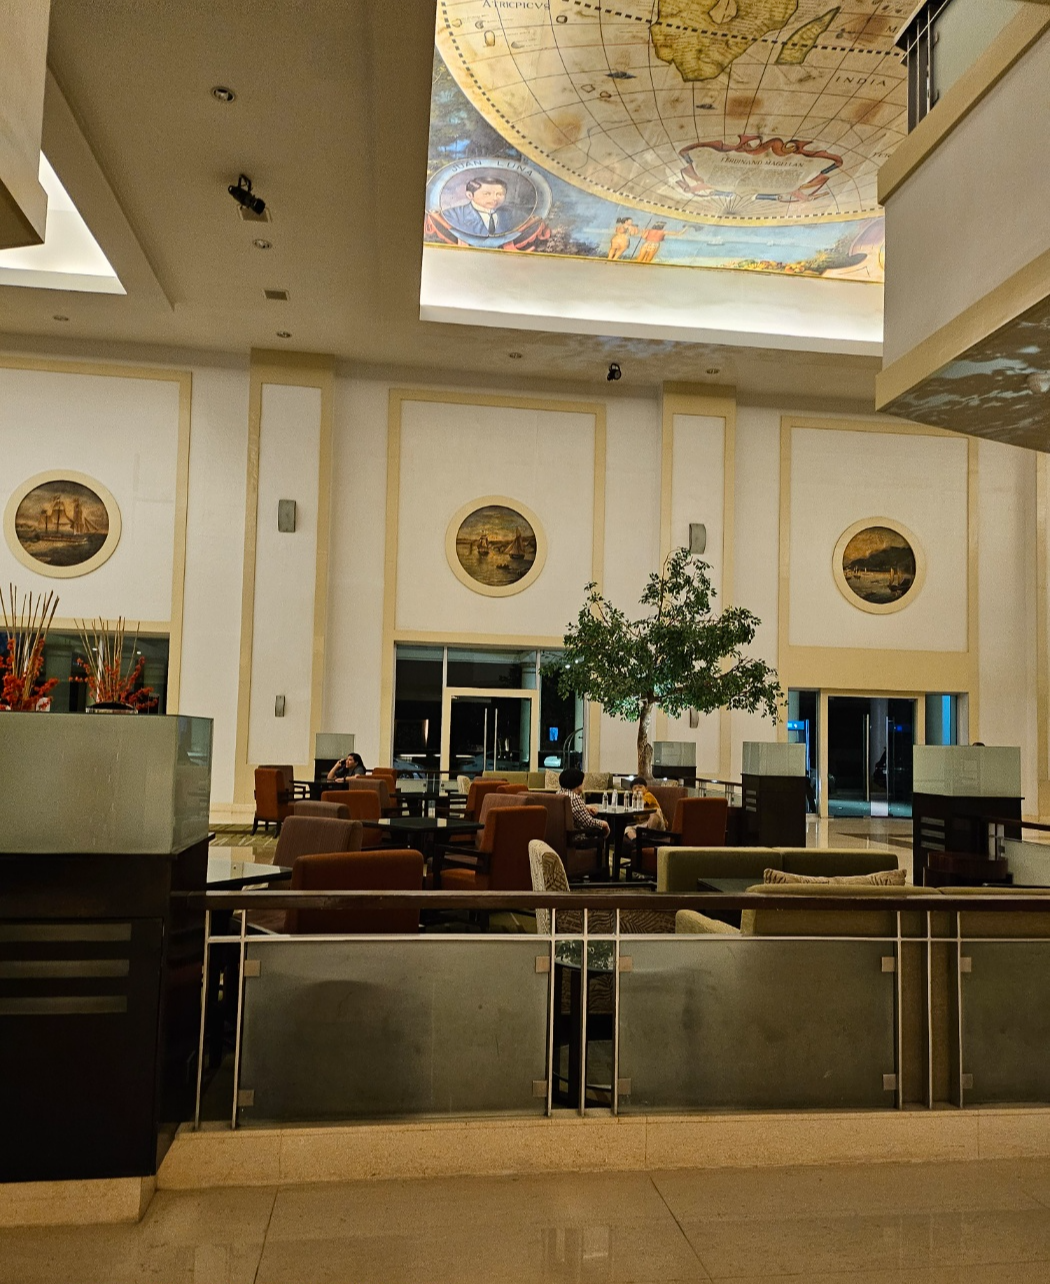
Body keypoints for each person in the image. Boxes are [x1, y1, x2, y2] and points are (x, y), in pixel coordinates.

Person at [444, 176, 522, 238]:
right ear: (470, 195)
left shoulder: (516, 215)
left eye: (499, 194)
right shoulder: (451, 215)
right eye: (487, 194)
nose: (495, 198)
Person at [557, 766, 610, 839]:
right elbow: (588, 822)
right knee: (601, 829)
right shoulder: (575, 798)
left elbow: (571, 809)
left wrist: (585, 807)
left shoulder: (559, 794)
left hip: (561, 837)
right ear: (577, 783)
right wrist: (604, 824)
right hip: (576, 838)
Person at [624, 775, 666, 846]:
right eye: (635, 788)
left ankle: (647, 837)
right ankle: (636, 841)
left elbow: (642, 802)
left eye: (640, 787)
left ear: (646, 789)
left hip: (658, 825)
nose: (637, 789)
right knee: (628, 829)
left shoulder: (648, 795)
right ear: (632, 791)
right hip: (645, 826)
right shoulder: (634, 800)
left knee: (655, 812)